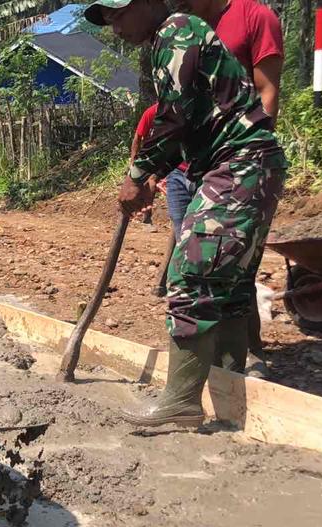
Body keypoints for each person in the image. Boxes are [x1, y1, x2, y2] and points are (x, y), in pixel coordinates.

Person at [85, 0, 287, 427]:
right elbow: (185, 121)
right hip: (241, 165)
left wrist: (138, 175)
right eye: (108, 20)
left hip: (239, 163)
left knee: (192, 273)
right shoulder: (169, 40)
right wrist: (151, 175)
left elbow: (173, 116)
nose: (115, 27)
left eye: (119, 14)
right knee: (227, 284)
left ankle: (181, 401)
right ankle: (229, 387)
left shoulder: (178, 30)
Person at [177, 0, 285, 377]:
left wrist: (245, 157)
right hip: (201, 165)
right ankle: (207, 359)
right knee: (201, 264)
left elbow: (268, 91)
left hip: (240, 165)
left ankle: (248, 355)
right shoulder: (185, 26)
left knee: (237, 266)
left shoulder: (255, 17)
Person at [128, 104, 159, 230]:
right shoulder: (150, 112)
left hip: (170, 155)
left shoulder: (177, 111)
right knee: (151, 181)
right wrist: (133, 161)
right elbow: (138, 137)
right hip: (150, 156)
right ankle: (146, 218)